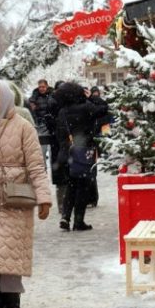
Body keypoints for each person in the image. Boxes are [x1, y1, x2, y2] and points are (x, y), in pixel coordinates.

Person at [0, 80, 52, 308]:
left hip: (15, 195)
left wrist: (44, 198)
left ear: (5, 99)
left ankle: (13, 302)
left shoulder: (23, 127)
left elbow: (36, 164)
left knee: (9, 250)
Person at [52, 82, 107, 231]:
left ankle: (65, 216)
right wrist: (92, 98)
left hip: (67, 153)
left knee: (71, 186)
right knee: (83, 187)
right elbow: (104, 109)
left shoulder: (62, 111)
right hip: (83, 153)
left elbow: (59, 133)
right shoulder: (86, 107)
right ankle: (78, 221)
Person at [86, 86, 111, 208]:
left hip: (92, 138)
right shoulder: (86, 106)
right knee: (88, 170)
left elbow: (105, 110)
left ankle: (91, 198)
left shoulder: (93, 105)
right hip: (87, 140)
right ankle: (90, 198)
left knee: (90, 170)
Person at [28, 79, 56, 169]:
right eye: (40, 87)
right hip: (40, 126)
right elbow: (31, 111)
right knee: (41, 150)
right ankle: (43, 168)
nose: (41, 89)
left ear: (47, 86)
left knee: (53, 150)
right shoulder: (34, 97)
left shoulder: (53, 95)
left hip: (52, 126)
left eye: (43, 87)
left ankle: (53, 168)